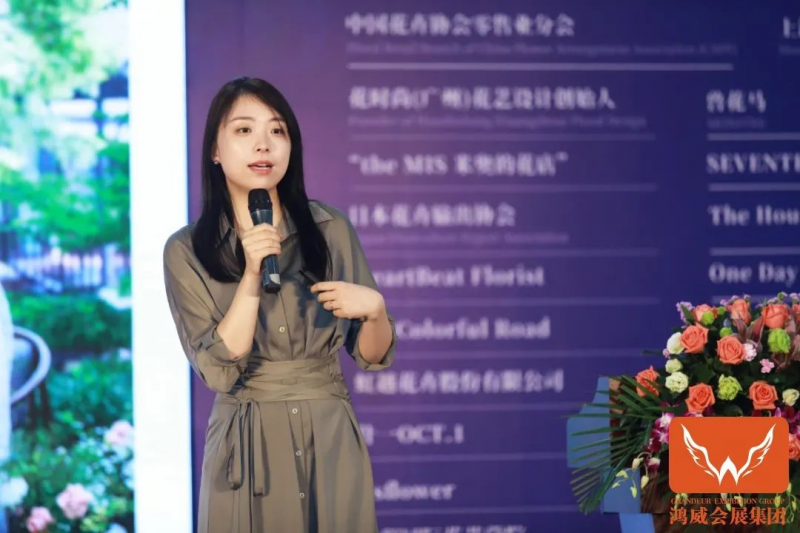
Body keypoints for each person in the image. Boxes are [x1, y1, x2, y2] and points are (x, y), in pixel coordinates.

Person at [163, 77, 397, 533]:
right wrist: (252, 274)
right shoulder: (186, 250)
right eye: (244, 130)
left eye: (277, 130)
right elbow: (219, 370)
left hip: (330, 437)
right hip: (247, 442)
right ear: (215, 150)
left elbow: (372, 355)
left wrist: (375, 311)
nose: (263, 145)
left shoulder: (330, 229)